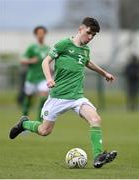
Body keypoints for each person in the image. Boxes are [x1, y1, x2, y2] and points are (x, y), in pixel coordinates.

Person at [9, 17, 117, 168]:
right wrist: (48, 79)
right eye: (89, 33)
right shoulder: (64, 44)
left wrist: (104, 73)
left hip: (77, 97)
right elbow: (45, 61)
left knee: (95, 120)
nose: (90, 37)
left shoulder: (85, 50)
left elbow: (87, 62)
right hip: (58, 97)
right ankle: (24, 124)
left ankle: (98, 156)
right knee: (44, 131)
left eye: (94, 35)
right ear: (81, 29)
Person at [21, 26, 50, 121]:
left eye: (42, 33)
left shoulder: (47, 49)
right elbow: (22, 60)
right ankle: (24, 120)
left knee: (43, 99)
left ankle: (39, 122)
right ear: (36, 34)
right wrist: (31, 60)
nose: (41, 35)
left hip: (43, 78)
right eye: (39, 33)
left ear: (45, 34)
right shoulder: (32, 47)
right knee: (28, 100)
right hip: (31, 78)